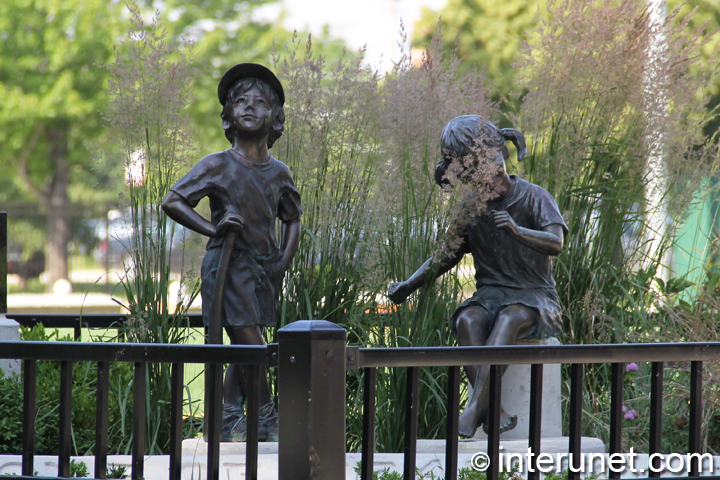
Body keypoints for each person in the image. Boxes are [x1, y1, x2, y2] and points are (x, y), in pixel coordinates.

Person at [388, 115, 567, 439]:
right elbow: (444, 256)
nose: (491, 173)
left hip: (535, 296)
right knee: (467, 319)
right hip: (490, 295)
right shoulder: (469, 208)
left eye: (493, 161)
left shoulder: (535, 196)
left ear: (505, 154)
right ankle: (493, 408)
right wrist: (408, 285)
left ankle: (472, 410)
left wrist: (516, 230)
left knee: (510, 319)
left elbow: (556, 243)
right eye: (477, 170)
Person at [162, 63, 302, 442]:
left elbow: (293, 218)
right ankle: (268, 419)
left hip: (264, 269)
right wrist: (214, 229)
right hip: (228, 266)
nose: (249, 107)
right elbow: (173, 201)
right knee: (251, 342)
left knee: (245, 344)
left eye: (260, 102)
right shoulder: (217, 165)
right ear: (228, 116)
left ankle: (225, 419)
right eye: (240, 101)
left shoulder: (279, 172)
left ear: (276, 117)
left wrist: (281, 263)